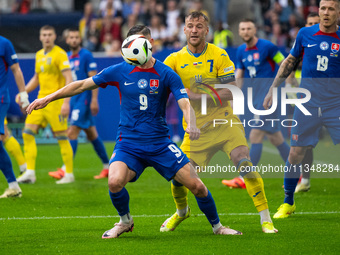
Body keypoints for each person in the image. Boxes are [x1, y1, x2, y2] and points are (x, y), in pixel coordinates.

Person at [26, 25, 243, 238]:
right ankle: (125, 221)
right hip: (129, 143)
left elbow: (184, 103)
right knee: (114, 181)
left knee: (197, 186)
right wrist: (47, 97)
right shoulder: (120, 69)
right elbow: (82, 84)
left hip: (160, 143)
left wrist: (192, 122)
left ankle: (218, 227)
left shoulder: (166, 73)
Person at [160, 11, 278, 234]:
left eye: (199, 26)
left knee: (243, 162)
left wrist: (197, 97)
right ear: (184, 30)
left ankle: (266, 219)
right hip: (196, 131)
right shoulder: (174, 60)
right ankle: (181, 212)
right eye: (190, 26)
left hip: (225, 124)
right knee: (179, 177)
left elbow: (232, 90)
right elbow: (159, 86)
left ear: (207, 30)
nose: (194, 30)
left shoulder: (219, 54)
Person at [263, 0, 340, 218]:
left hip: (335, 105)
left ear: (338, 13)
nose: (326, 13)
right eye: (323, 8)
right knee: (296, 152)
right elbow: (289, 61)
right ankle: (288, 202)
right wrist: (272, 90)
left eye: (330, 9)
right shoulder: (306, 34)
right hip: (307, 104)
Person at [222, 19, 290, 189]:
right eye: (242, 28)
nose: (245, 31)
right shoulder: (240, 51)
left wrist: (285, 85)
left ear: (255, 30)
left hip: (269, 98)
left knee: (255, 135)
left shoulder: (268, 47)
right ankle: (297, 171)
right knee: (276, 138)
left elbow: (285, 64)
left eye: (248, 28)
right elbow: (239, 76)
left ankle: (244, 178)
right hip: (256, 99)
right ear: (239, 31)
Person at [48, 28, 110, 180]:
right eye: (71, 37)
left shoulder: (86, 55)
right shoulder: (66, 57)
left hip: (84, 99)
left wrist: (94, 100)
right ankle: (107, 166)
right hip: (74, 99)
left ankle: (65, 170)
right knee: (91, 134)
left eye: (77, 37)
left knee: (72, 132)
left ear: (80, 39)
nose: (74, 40)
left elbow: (94, 80)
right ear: (67, 40)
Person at [17, 25, 74, 184]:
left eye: (49, 34)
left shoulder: (60, 54)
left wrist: (66, 102)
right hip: (40, 100)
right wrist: (23, 92)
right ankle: (30, 173)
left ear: (54, 36)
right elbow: (36, 77)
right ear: (40, 37)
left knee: (62, 137)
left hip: (55, 102)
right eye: (44, 34)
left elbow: (69, 78)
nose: (47, 37)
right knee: (27, 133)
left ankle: (69, 173)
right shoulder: (39, 55)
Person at [286, 12, 320, 193]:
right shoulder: (304, 40)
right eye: (310, 23)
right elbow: (291, 64)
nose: (313, 25)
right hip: (306, 99)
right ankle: (304, 180)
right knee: (304, 142)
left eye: (317, 23)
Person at [0, 35, 29, 198]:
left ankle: (17, 180)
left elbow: (16, 69)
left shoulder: (4, 43)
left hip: (0, 98)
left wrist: (23, 96)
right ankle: (13, 186)